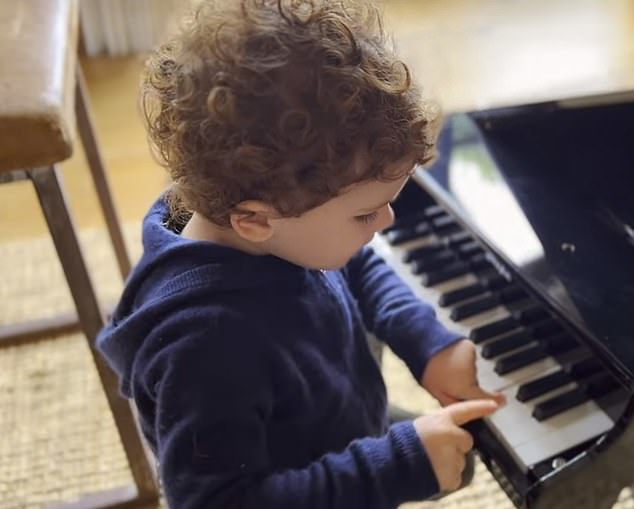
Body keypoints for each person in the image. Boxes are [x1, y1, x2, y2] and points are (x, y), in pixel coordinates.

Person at [97, 1, 505, 507]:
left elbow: (355, 264)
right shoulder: (206, 350)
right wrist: (398, 465)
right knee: (427, 457)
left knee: (447, 454)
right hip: (296, 481)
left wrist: (424, 341)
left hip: (332, 421)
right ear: (256, 220)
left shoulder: (253, 220)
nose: (386, 222)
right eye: (365, 214)